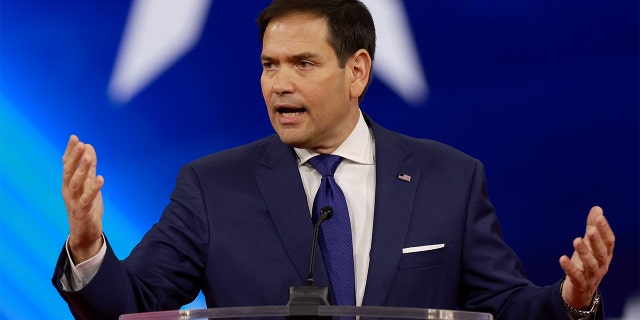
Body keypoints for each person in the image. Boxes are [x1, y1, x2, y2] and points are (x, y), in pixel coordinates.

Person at [52, 0, 615, 319]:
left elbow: (502, 307)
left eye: (302, 63)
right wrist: (86, 247)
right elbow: (128, 309)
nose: (279, 84)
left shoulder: (450, 177)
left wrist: (573, 302)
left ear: (357, 72)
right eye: (269, 65)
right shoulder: (210, 186)